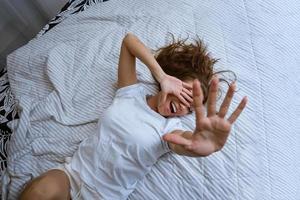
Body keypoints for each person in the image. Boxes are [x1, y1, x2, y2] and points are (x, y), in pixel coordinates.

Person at [19, 33, 247, 200]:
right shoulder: (131, 93)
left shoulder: (169, 129)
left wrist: (200, 145)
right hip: (72, 175)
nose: (184, 106)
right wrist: (161, 74)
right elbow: (129, 41)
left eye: (191, 105)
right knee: (39, 191)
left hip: (104, 197)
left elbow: (186, 142)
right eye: (185, 93)